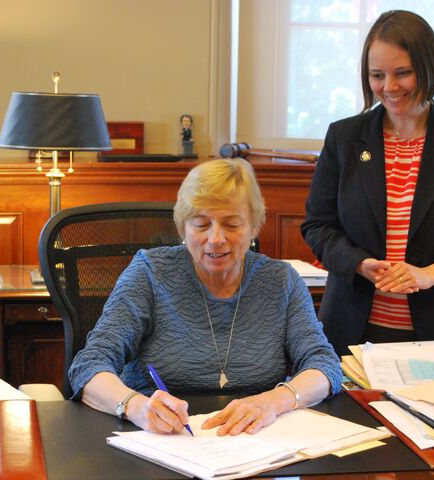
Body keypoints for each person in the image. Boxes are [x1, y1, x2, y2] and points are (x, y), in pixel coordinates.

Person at [70, 158, 342, 436]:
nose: (215, 239)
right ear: (182, 228)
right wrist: (136, 406)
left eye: (232, 225)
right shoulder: (150, 273)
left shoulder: (280, 280)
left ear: (254, 227)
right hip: (159, 440)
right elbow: (90, 363)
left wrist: (272, 401)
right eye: (201, 224)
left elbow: (324, 365)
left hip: (255, 441)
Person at [301, 10, 434, 355]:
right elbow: (317, 225)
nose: (389, 87)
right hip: (353, 328)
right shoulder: (344, 137)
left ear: (429, 69)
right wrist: (359, 263)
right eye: (377, 75)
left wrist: (430, 274)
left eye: (403, 73)